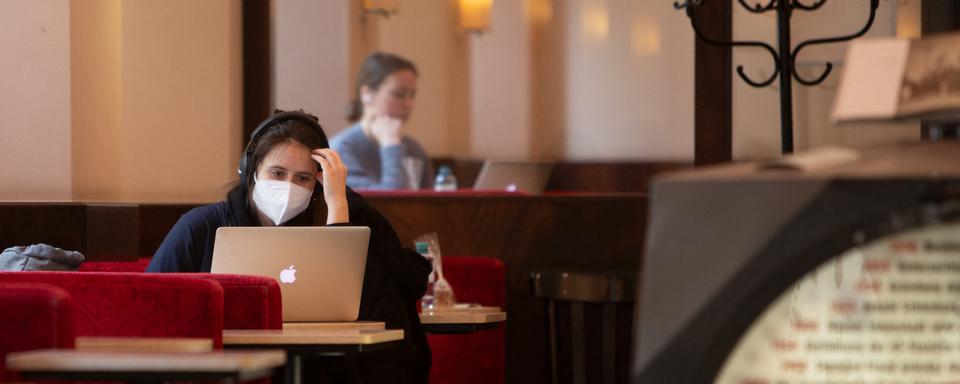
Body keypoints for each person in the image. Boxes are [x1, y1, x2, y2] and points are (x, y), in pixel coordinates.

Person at [147, 110, 432, 383]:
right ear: (251, 170)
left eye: (303, 178)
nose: (288, 186)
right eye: (277, 173)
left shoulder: (325, 221)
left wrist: (337, 206)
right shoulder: (201, 225)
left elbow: (350, 310)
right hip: (223, 365)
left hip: (315, 363)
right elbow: (149, 302)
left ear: (317, 184)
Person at [331, 52, 433, 190]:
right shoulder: (341, 150)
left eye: (412, 95)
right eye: (399, 94)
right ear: (367, 94)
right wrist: (391, 146)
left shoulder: (413, 149)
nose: (408, 104)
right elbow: (389, 203)